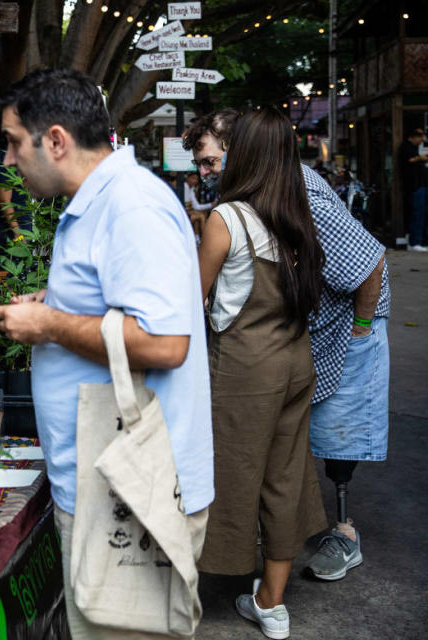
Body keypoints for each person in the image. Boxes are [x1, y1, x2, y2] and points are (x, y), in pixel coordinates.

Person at [0, 68, 213, 639]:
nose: (10, 160)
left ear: (57, 141)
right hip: (104, 481)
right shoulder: (105, 199)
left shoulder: (131, 205)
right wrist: (60, 302)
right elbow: (123, 303)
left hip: (132, 489)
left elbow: (164, 343)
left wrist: (50, 322)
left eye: (15, 142)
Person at [185, 110, 391, 585]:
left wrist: (359, 335)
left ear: (242, 151)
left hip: (345, 323)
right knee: (288, 458)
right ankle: (275, 587)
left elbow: (370, 263)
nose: (205, 173)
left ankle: (343, 532)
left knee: (333, 435)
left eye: (212, 162)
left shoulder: (296, 193)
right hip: (295, 335)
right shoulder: (260, 194)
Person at [196, 108, 329, 640]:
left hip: (245, 369)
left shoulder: (226, 218)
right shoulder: (295, 213)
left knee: (227, 477)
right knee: (285, 478)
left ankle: (186, 586)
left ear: (246, 153)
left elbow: (189, 300)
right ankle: (271, 605)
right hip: (296, 360)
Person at [397, 127, 428, 251]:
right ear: (412, 136)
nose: (422, 139)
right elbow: (409, 160)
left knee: (423, 213)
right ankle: (414, 242)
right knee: (418, 214)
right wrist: (421, 158)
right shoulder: (406, 147)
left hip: (421, 185)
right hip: (415, 186)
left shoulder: (414, 148)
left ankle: (422, 241)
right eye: (420, 136)